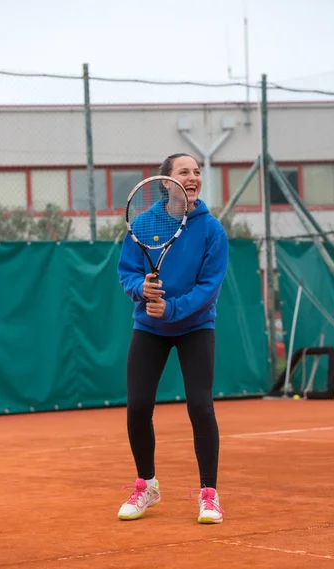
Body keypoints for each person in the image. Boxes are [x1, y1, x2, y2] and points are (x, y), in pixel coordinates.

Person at [117, 153, 229, 524]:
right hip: (149, 329)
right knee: (137, 407)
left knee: (200, 405)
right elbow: (128, 272)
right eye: (185, 172)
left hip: (196, 326)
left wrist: (172, 309)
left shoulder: (212, 229)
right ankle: (147, 485)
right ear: (167, 182)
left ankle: (209, 494)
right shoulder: (145, 223)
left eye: (197, 172)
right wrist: (141, 288)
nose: (193, 177)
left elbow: (209, 288)